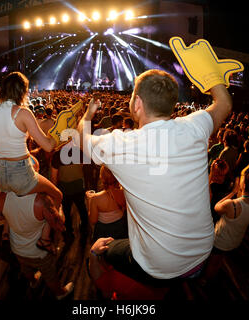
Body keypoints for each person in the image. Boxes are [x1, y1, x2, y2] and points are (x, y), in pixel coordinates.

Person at [77, 69, 232, 284]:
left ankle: (97, 264)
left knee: (100, 249)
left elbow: (81, 139)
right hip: (202, 254)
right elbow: (224, 103)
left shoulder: (122, 145)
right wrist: (210, 73)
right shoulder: (194, 125)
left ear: (137, 103)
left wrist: (88, 113)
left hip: (160, 266)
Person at [0, 72, 63, 215]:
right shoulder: (22, 113)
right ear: (21, 91)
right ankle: (47, 236)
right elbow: (48, 146)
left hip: (1, 176)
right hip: (21, 173)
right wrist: (58, 133)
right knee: (57, 195)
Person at [0, 191, 74, 298]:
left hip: (17, 248)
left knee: (26, 268)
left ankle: (34, 282)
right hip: (38, 251)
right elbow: (59, 224)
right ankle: (60, 293)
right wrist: (59, 208)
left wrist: (15, 215)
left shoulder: (2, 196)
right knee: (50, 274)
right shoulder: (40, 200)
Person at [202, 172, 249, 280]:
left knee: (212, 262)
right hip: (234, 241)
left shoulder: (232, 205)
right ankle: (214, 272)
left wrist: (233, 192)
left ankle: (205, 280)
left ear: (245, 185)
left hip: (220, 241)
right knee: (219, 258)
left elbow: (216, 207)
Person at [50, 142, 89, 242]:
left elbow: (54, 177)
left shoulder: (57, 155)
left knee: (66, 211)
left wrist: (54, 192)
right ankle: (85, 230)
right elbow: (83, 167)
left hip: (65, 188)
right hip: (79, 186)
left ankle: (69, 233)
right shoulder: (80, 151)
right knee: (82, 208)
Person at [87, 165, 128, 241]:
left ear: (101, 177)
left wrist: (89, 201)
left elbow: (93, 220)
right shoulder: (125, 193)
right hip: (121, 227)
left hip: (103, 231)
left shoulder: (96, 198)